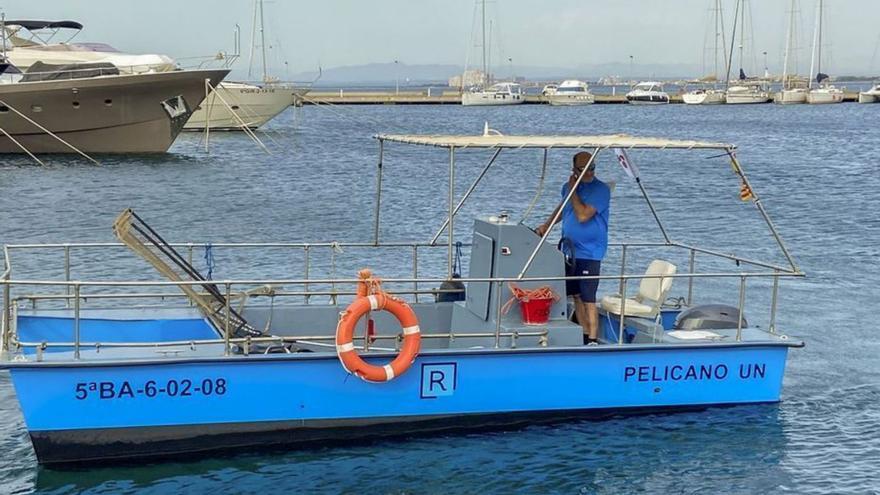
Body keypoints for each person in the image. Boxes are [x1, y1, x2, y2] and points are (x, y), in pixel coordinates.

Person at [535, 151, 611, 345]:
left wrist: (573, 190)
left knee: (588, 297)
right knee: (576, 294)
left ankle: (593, 338)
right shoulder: (567, 189)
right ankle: (584, 334)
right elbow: (564, 209)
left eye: (592, 167)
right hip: (570, 250)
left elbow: (582, 215)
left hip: (590, 252)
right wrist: (546, 225)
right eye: (584, 169)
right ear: (574, 170)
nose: (589, 172)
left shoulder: (600, 190)